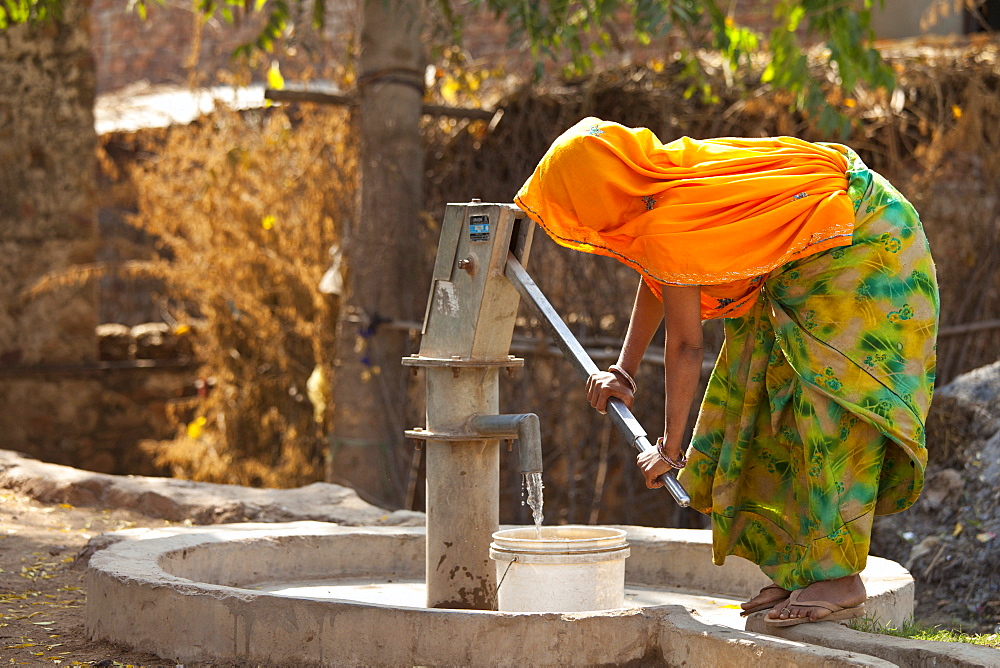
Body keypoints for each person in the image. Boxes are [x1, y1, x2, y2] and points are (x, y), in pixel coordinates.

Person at [514, 117, 939, 626]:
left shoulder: (673, 205)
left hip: (866, 248)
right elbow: (662, 276)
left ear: (600, 192)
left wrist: (669, 451)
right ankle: (806, 565)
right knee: (770, 391)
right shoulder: (664, 179)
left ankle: (840, 575)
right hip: (835, 233)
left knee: (828, 401)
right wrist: (624, 370)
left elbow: (687, 346)